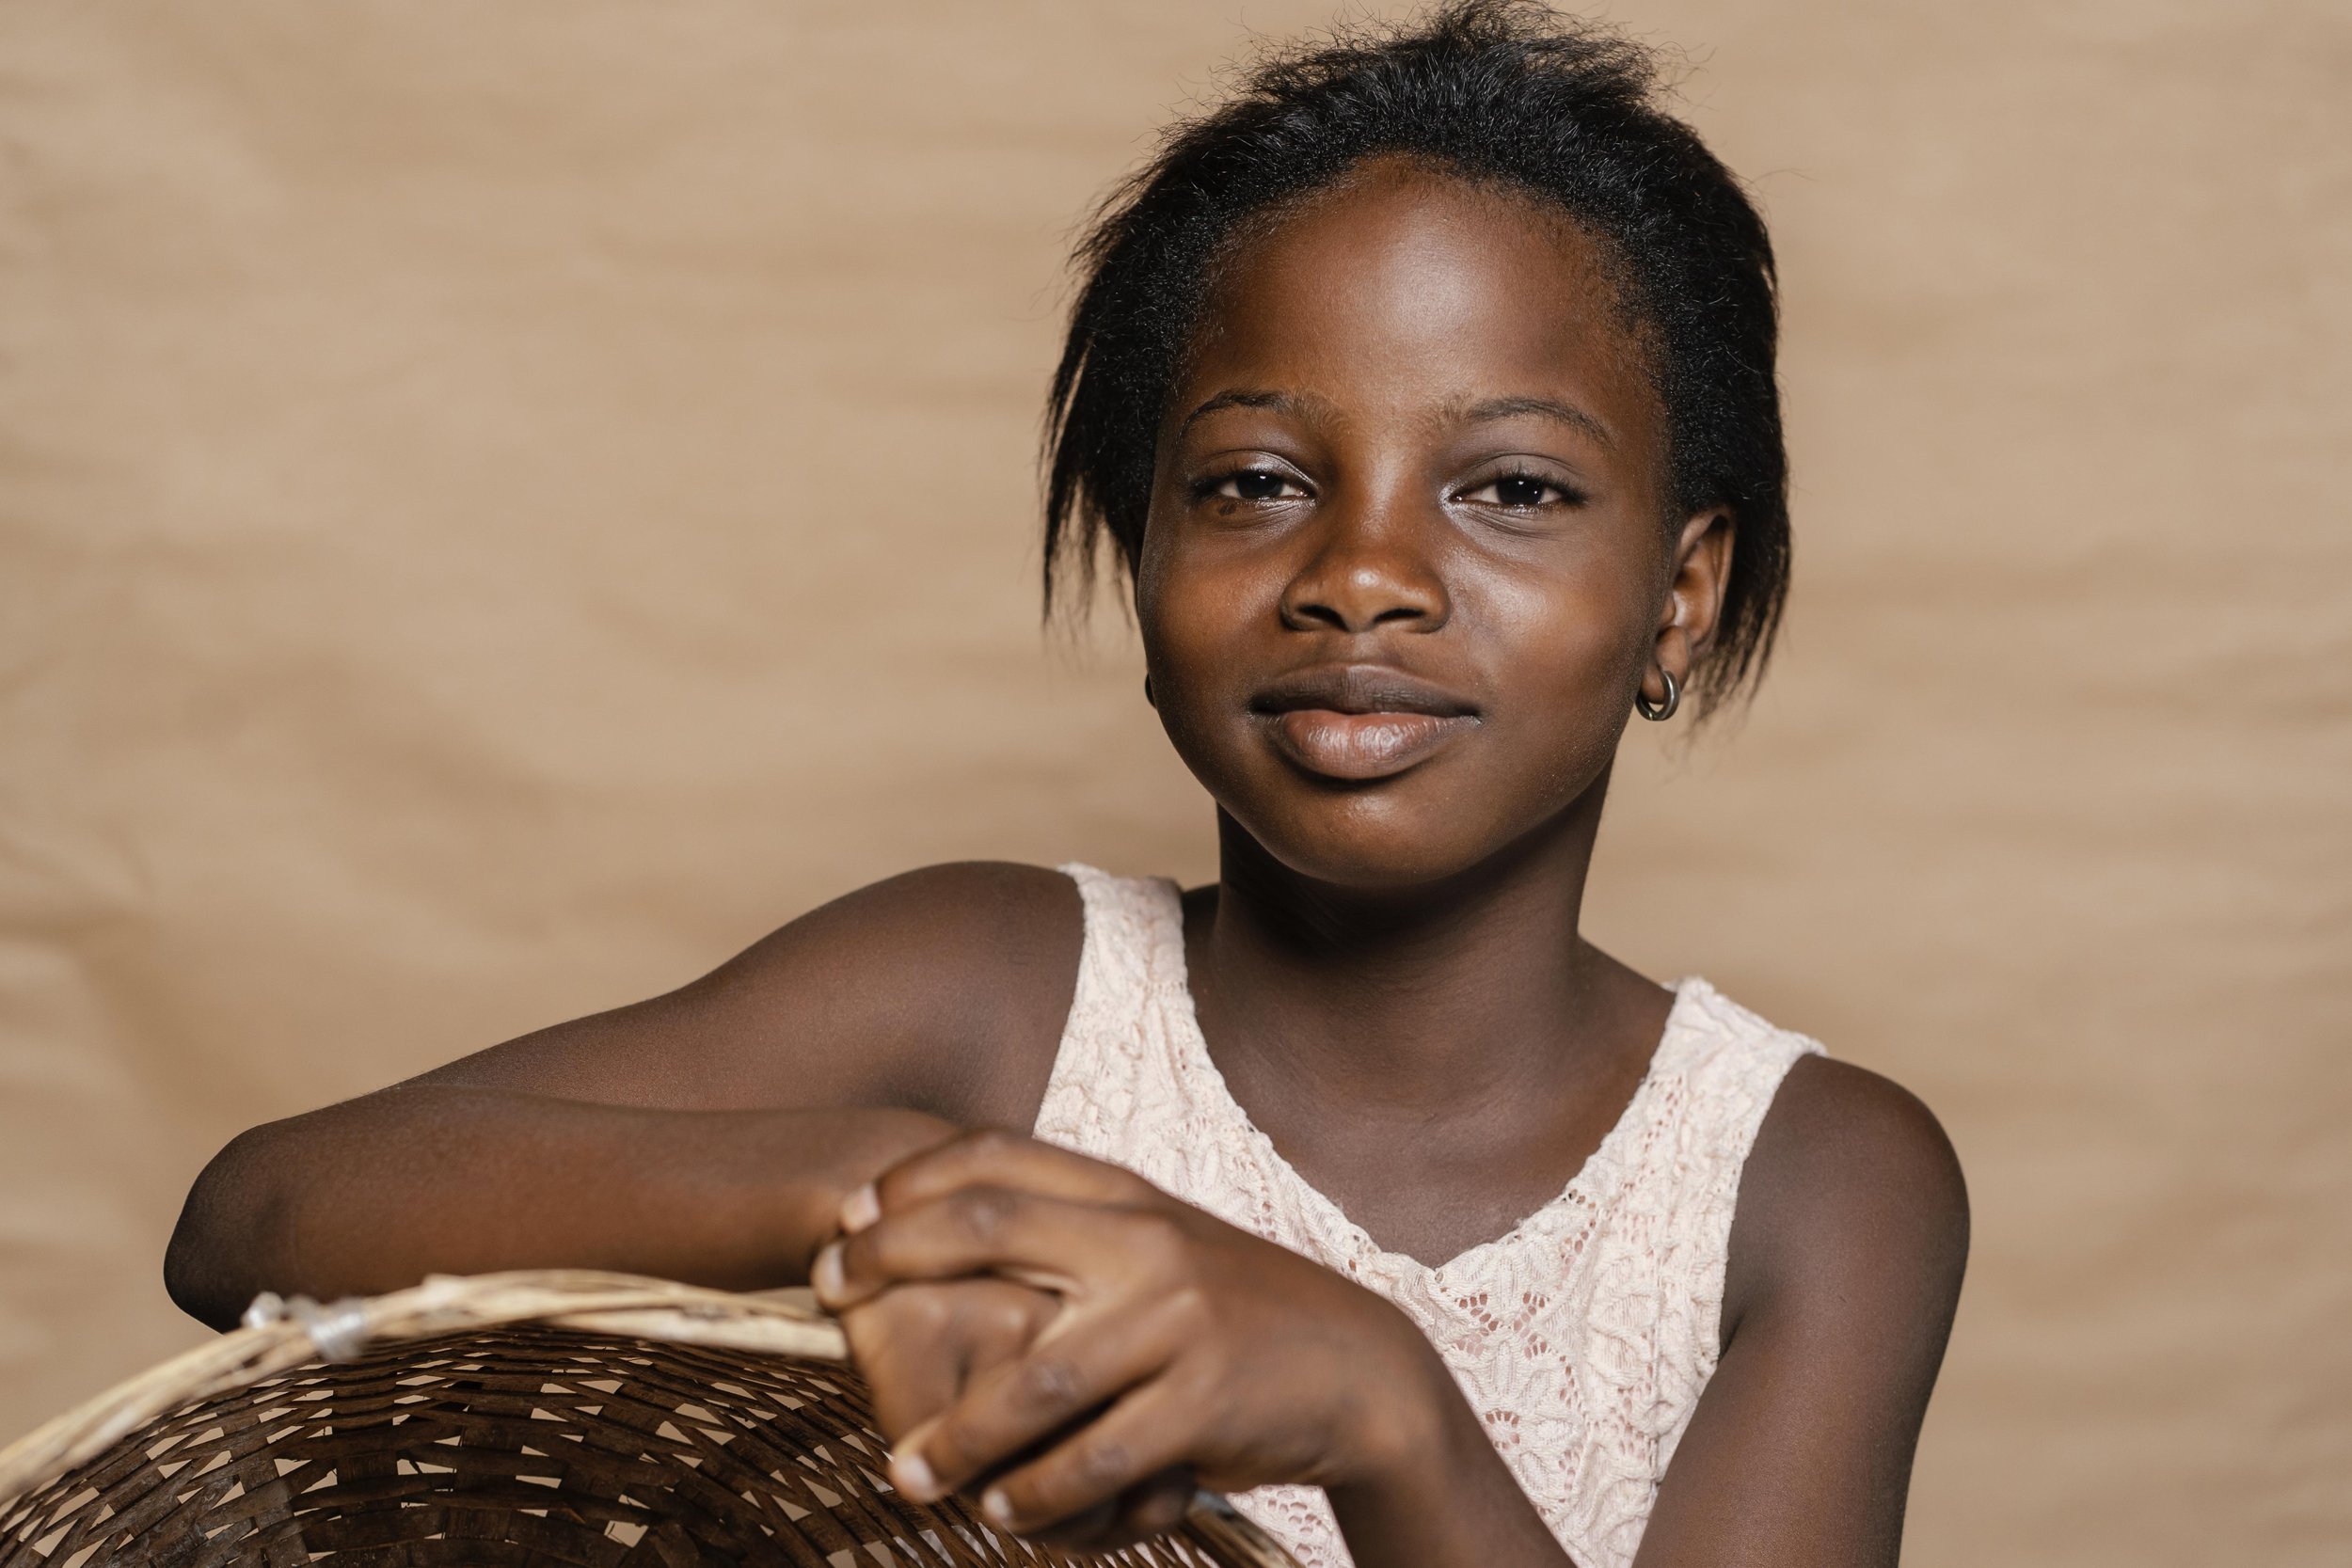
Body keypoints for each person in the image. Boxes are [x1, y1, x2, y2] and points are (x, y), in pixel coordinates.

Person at [164, 5, 1968, 1565]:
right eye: (1256, 481)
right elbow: (250, 1222)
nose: (1362, 571)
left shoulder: (1811, 1189)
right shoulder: (986, 998)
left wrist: (1387, 1412)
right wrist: (887, 1186)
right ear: (1142, 553)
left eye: (1509, 491)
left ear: (1682, 592)